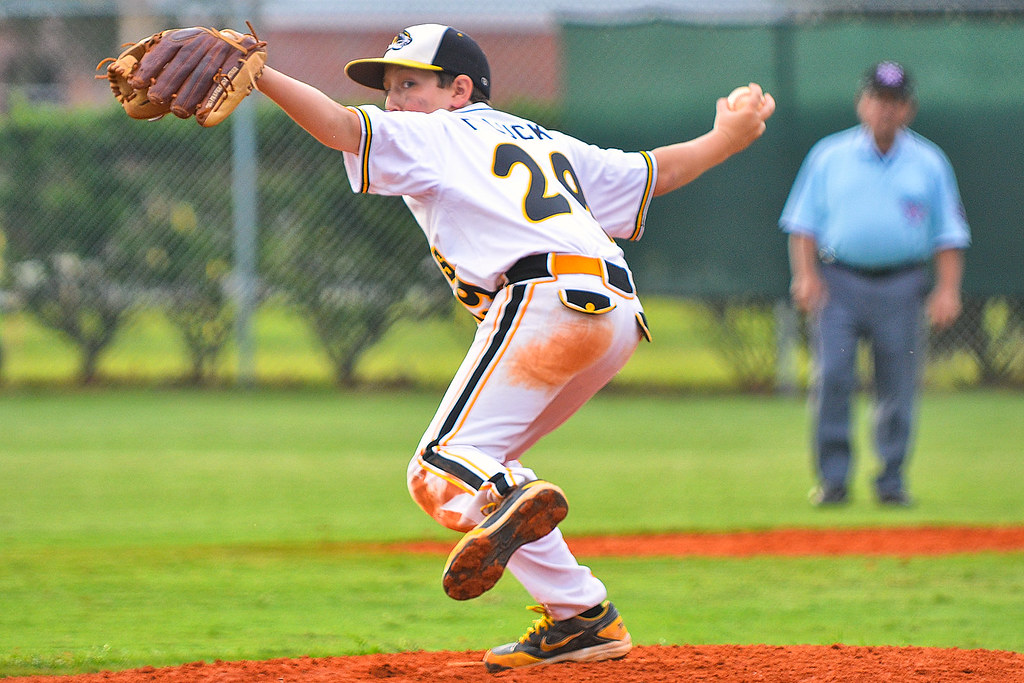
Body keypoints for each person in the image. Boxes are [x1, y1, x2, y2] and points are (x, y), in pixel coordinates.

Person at [256, 24, 774, 672]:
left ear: (460, 89)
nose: (395, 103)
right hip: (614, 314)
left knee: (440, 466)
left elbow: (337, 125)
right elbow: (652, 174)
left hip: (544, 298)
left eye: (409, 85)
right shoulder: (542, 139)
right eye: (389, 90)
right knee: (488, 468)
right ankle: (581, 616)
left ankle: (508, 497)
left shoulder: (436, 131)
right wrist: (726, 137)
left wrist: (261, 78)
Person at [779, 61, 969, 508]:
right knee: (832, 379)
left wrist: (947, 289)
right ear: (863, 103)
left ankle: (891, 479)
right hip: (839, 282)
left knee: (898, 384)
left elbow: (949, 234)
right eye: (878, 99)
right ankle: (833, 481)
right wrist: (805, 277)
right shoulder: (829, 155)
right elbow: (803, 224)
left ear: (909, 109)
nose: (885, 110)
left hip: (902, 285)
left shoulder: (929, 162)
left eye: (895, 102)